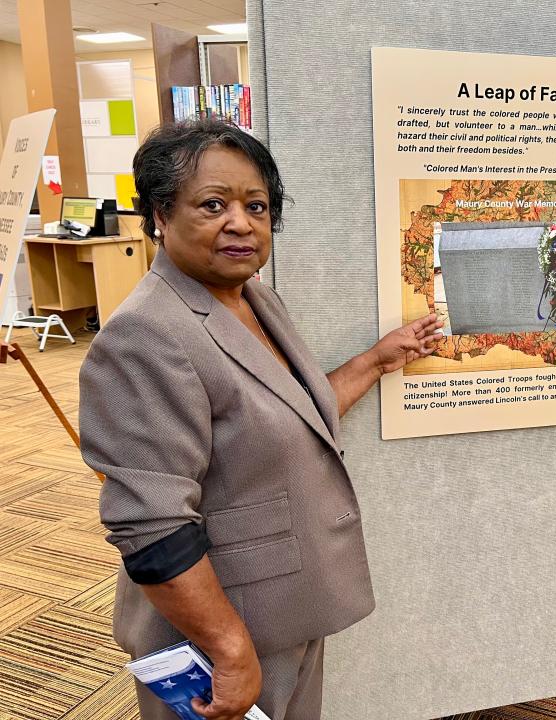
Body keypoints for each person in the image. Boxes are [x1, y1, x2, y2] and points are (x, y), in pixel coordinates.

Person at [78, 118, 442, 720]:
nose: (241, 223)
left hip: (284, 604)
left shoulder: (253, 298)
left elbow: (287, 414)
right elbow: (152, 525)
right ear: (161, 216)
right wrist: (228, 647)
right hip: (221, 627)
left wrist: (378, 360)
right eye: (213, 204)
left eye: (257, 205)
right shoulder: (145, 336)